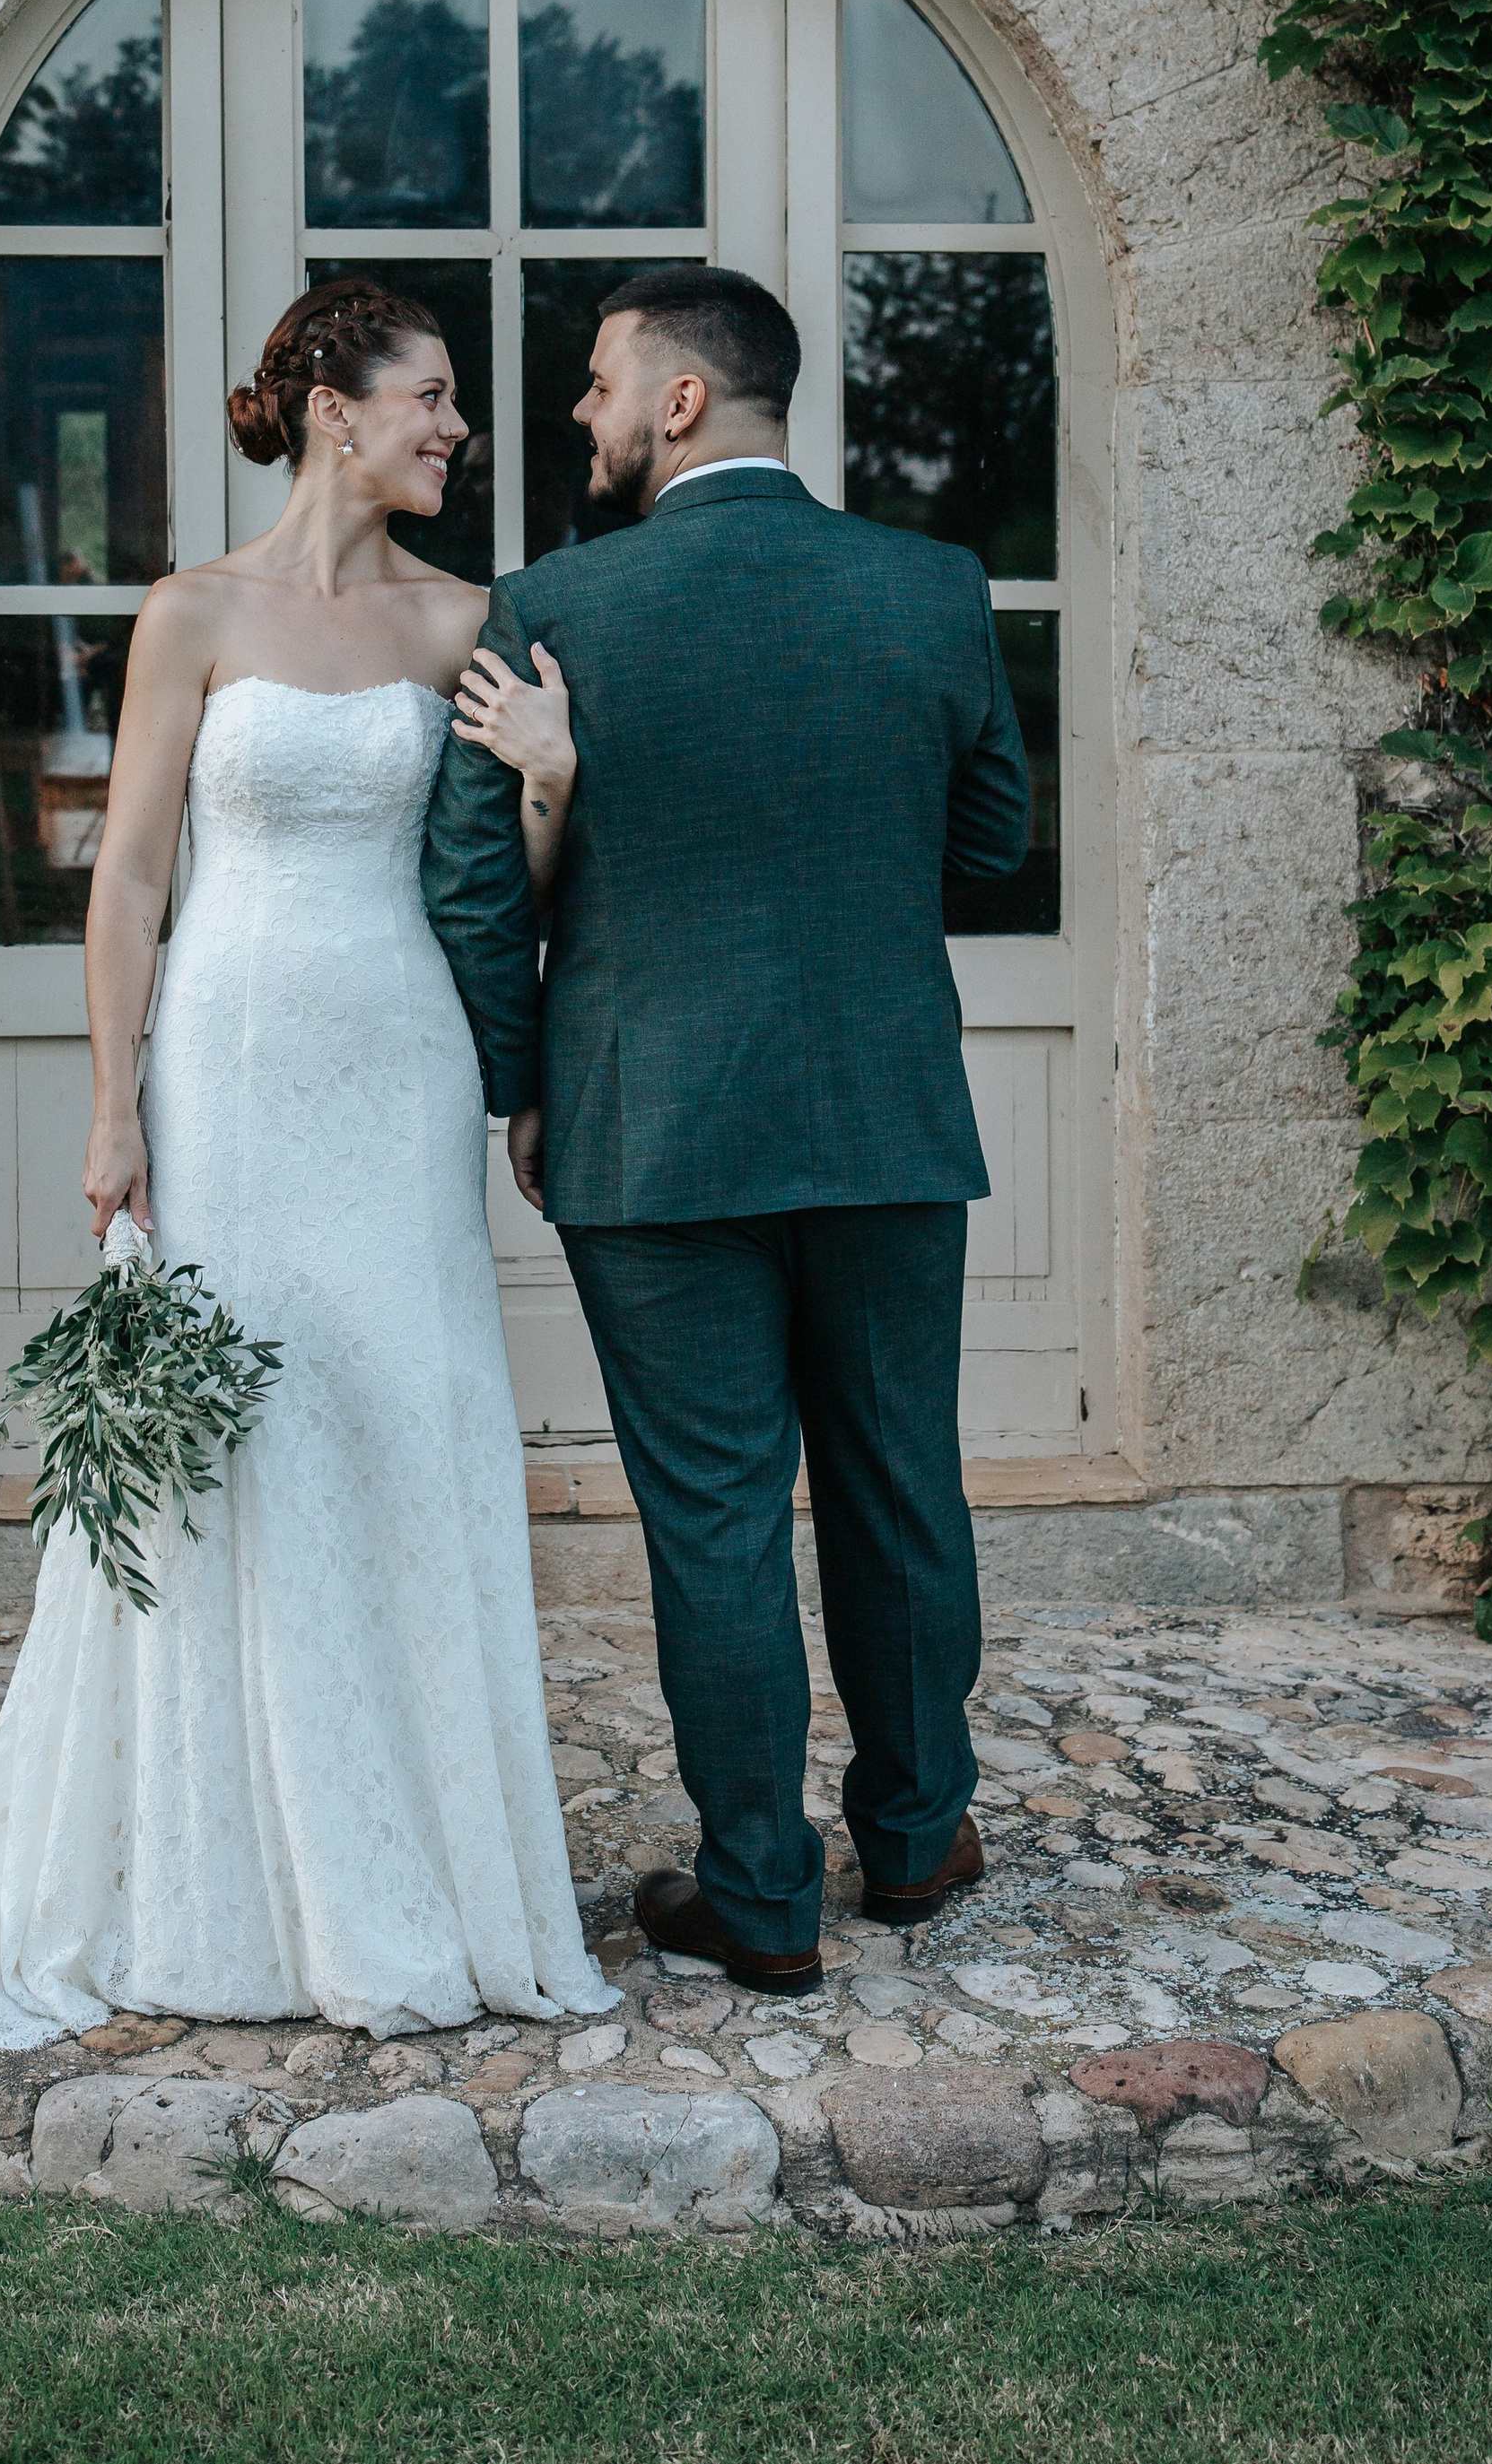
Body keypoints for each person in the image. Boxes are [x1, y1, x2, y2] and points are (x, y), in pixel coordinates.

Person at [0, 283, 616, 2048]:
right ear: (329, 407)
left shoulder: (465, 622)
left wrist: (549, 781)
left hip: (400, 1060)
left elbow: (506, 889)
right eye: (428, 398)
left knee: (396, 1413)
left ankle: (409, 1873)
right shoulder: (188, 611)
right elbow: (128, 876)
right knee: (238, 1438)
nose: (456, 429)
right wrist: (113, 1104)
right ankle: (228, 1877)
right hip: (225, 1061)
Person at [423, 264, 1030, 1998]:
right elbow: (992, 836)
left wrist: (527, 1081)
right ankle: (915, 1842)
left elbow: (474, 891)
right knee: (900, 1482)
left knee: (714, 1517)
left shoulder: (554, 609)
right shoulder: (930, 589)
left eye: (601, 383)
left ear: (681, 400)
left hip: (655, 1126)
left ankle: (762, 1891)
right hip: (885, 1117)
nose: (582, 415)